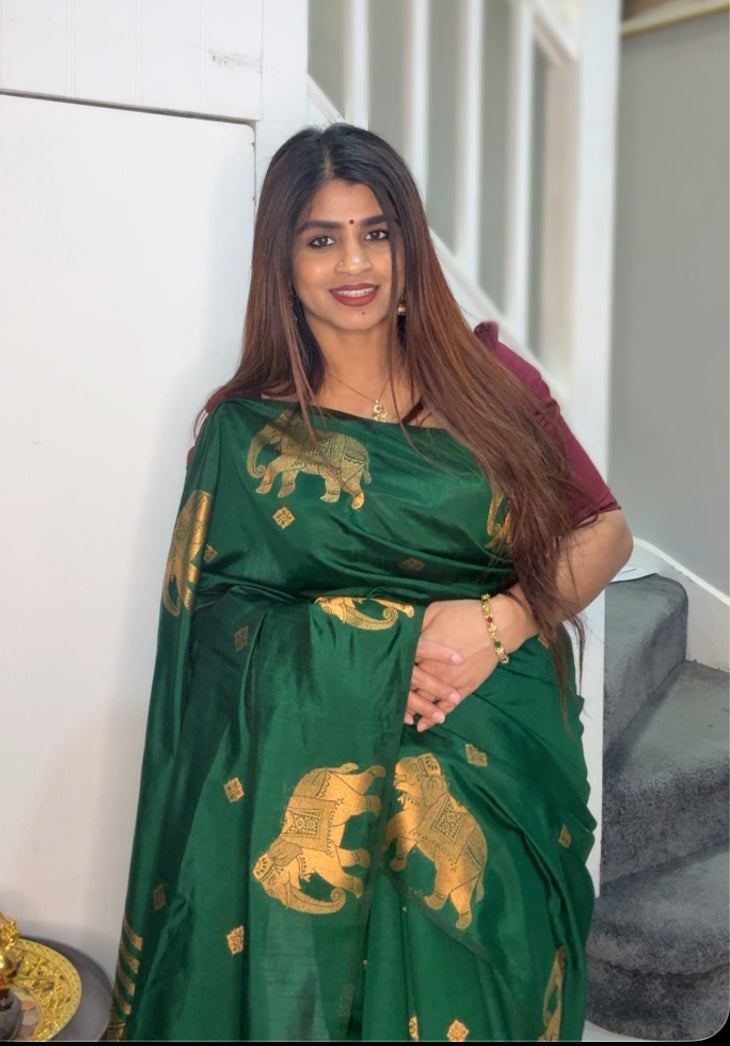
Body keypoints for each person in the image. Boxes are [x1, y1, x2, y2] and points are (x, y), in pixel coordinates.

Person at [107, 122, 632, 1042]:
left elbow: (605, 531)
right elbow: (212, 630)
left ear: (408, 245)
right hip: (311, 772)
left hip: (494, 753)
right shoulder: (244, 431)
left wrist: (498, 622)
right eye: (322, 238)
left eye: (377, 232)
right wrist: (382, 649)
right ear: (284, 262)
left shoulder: (490, 381)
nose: (355, 263)